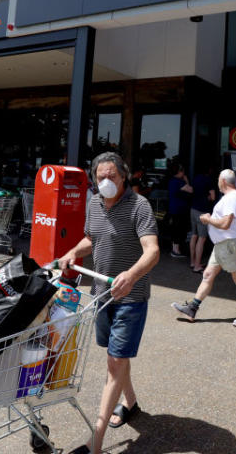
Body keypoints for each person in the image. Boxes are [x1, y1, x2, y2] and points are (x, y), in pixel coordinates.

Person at [59, 152, 159, 454]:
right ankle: (130, 403)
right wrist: (73, 252)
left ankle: (96, 441)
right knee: (117, 355)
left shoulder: (139, 206)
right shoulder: (93, 203)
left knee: (114, 361)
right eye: (100, 177)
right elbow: (93, 238)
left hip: (131, 296)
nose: (106, 182)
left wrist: (131, 274)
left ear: (123, 176)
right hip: (101, 295)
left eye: (111, 176)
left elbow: (152, 250)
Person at [173, 169, 236, 328]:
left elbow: (226, 224)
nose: (217, 182)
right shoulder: (231, 196)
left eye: (219, 179)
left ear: (224, 181)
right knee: (207, 275)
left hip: (228, 245)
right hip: (223, 245)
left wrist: (208, 219)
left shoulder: (231, 198)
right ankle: (192, 308)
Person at [188, 165, 216, 272]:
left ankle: (192, 262)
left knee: (194, 235)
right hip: (203, 212)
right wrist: (207, 197)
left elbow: (193, 191)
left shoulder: (196, 178)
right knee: (202, 238)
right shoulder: (209, 180)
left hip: (193, 209)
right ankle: (197, 266)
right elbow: (212, 197)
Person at [166, 163, 193, 258]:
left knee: (175, 228)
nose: (184, 173)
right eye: (183, 171)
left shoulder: (172, 181)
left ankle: (174, 249)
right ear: (180, 172)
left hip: (173, 208)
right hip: (179, 209)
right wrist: (186, 181)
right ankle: (176, 251)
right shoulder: (179, 182)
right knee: (178, 229)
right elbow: (190, 190)